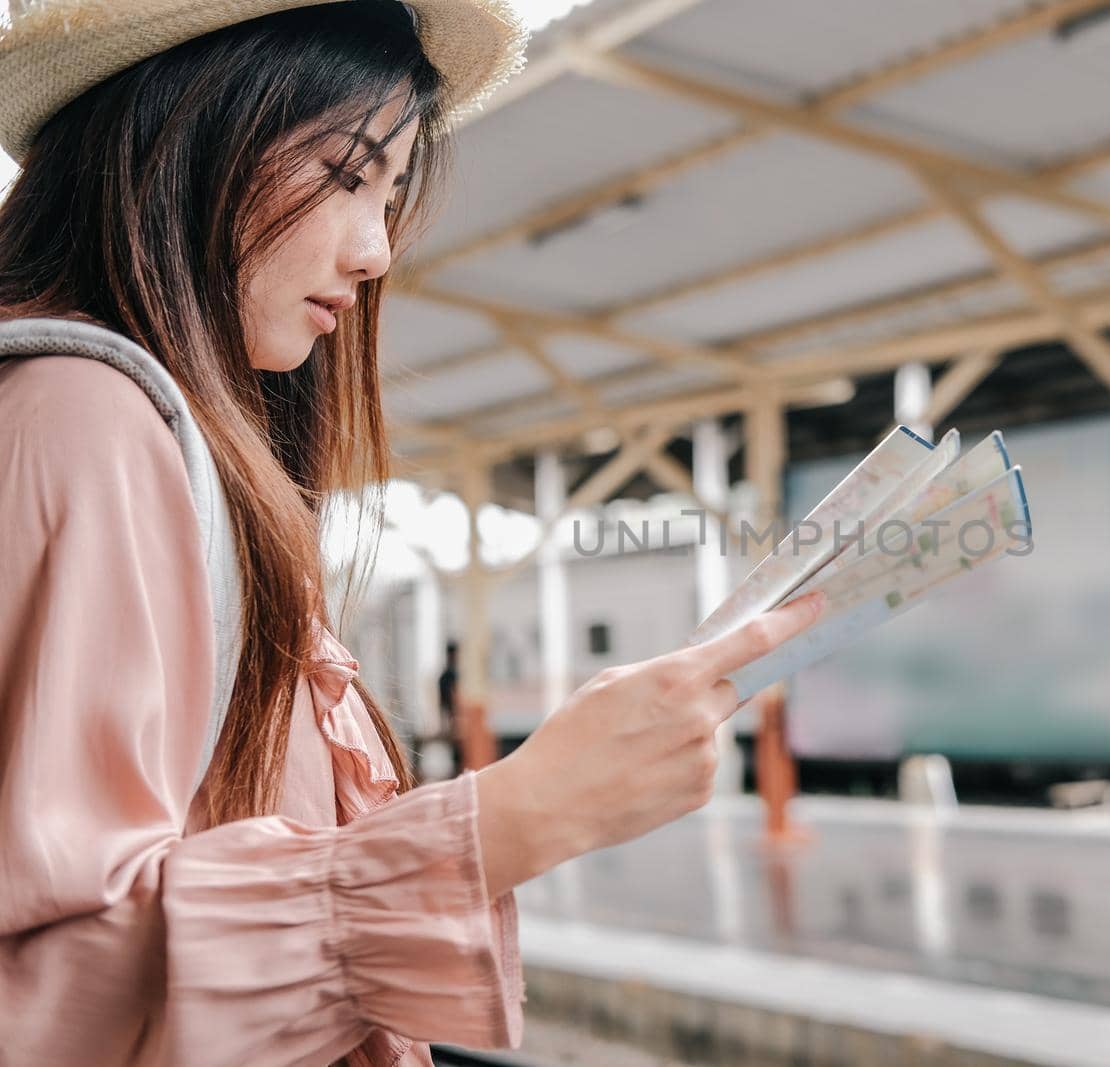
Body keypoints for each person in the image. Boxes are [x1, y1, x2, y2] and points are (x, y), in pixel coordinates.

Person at [0, 3, 825, 1065]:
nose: (376, 249)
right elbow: (36, 993)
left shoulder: (141, 427)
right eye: (345, 174)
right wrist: (516, 814)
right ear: (180, 134)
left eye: (387, 195)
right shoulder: (82, 412)